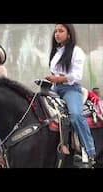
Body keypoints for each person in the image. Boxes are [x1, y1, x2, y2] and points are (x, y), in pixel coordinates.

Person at [45, 24, 96, 165]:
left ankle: (90, 150)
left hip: (70, 89)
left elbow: (77, 75)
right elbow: (55, 72)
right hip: (55, 88)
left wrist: (59, 79)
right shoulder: (56, 51)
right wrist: (52, 79)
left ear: (69, 34)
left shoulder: (76, 51)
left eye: (61, 31)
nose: (57, 34)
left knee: (75, 115)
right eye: (55, 31)